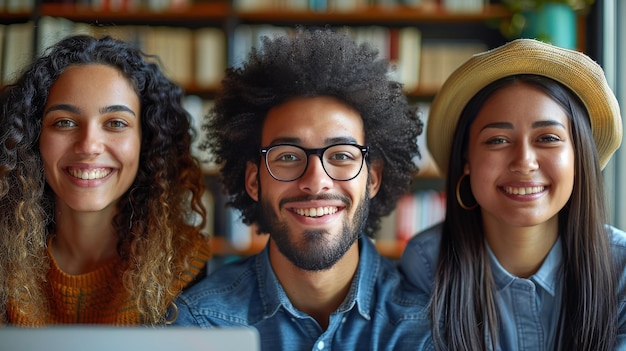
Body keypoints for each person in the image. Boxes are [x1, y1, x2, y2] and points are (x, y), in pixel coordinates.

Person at [172, 28, 432, 350]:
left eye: (341, 156)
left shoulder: (425, 326)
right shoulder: (200, 325)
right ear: (254, 182)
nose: (315, 181)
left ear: (373, 179)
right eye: (288, 157)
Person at [399, 38, 625, 350]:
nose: (524, 162)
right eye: (498, 140)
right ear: (466, 160)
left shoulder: (621, 267)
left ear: (578, 158)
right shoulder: (427, 264)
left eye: (547, 138)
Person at [0, 34, 211, 326]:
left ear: (145, 142)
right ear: (33, 140)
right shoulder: (4, 261)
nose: (89, 145)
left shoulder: (190, 265)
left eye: (116, 123)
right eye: (64, 122)